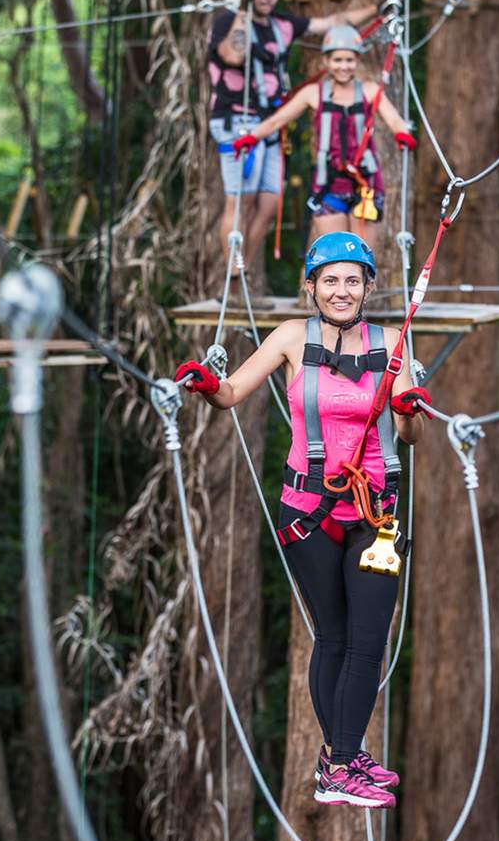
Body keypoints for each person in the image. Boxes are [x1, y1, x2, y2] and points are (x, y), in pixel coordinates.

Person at [174, 232, 433, 809]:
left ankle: (341, 762)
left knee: (367, 641)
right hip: (308, 513)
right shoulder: (292, 337)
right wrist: (208, 384)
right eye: (330, 280)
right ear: (311, 287)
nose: (341, 291)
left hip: (374, 515)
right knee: (334, 637)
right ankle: (341, 761)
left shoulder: (393, 342)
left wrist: (407, 410)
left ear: (368, 286)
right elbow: (235, 391)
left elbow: (412, 437)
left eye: (352, 280)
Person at [208, 0, 377, 275]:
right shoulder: (227, 22)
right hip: (236, 121)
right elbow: (234, 54)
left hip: (270, 124)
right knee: (241, 201)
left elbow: (333, 21)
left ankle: (239, 272)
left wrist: (378, 9)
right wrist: (242, 13)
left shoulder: (281, 26)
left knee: (269, 203)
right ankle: (231, 277)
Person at [231, 24, 416, 246]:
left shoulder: (369, 91)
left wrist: (402, 135)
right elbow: (277, 120)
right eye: (337, 60)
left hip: (365, 183)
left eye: (349, 60)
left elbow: (395, 120)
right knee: (334, 256)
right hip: (329, 184)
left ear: (357, 61)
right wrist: (251, 138)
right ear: (326, 62)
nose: (344, 66)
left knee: (362, 257)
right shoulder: (313, 94)